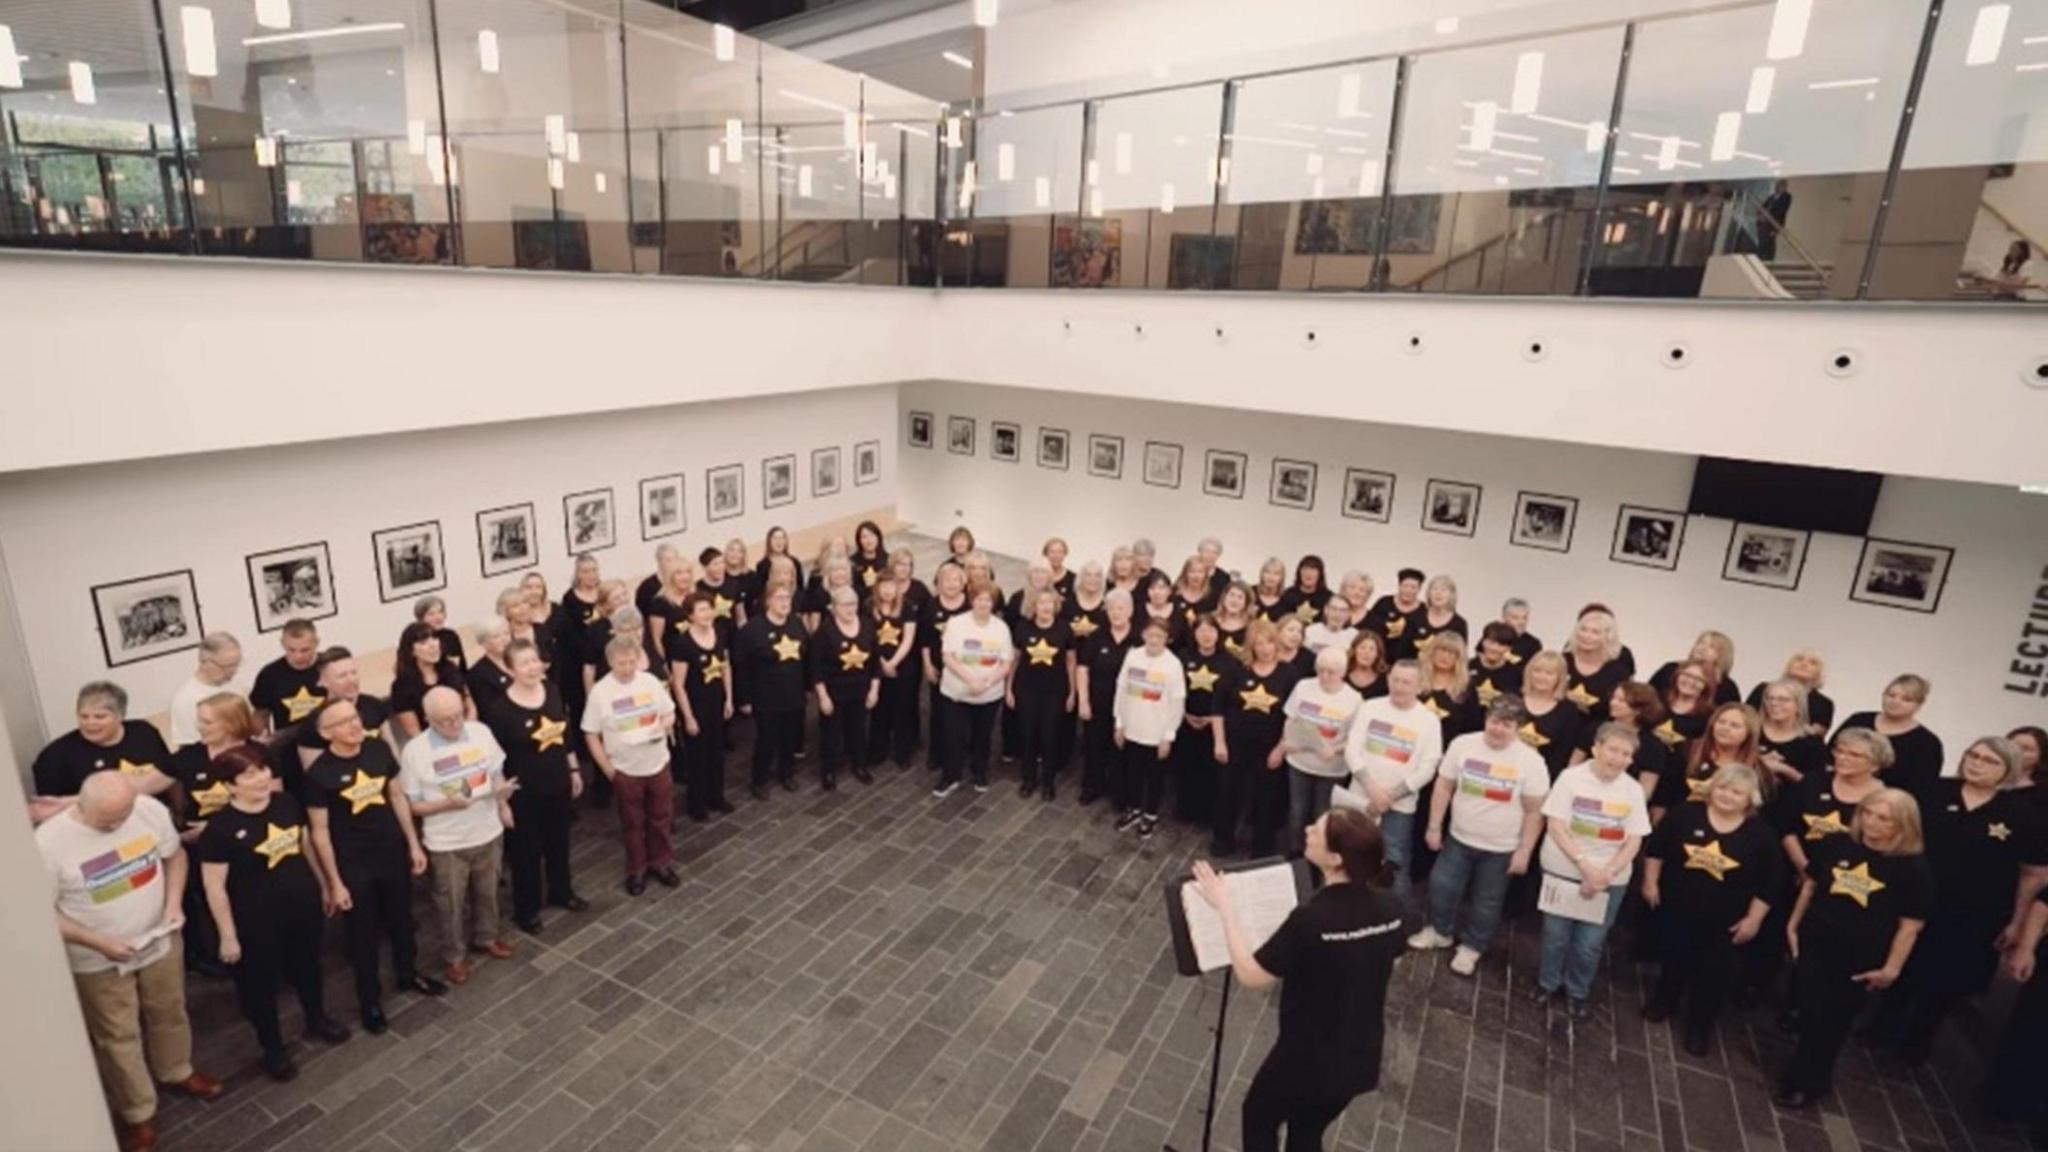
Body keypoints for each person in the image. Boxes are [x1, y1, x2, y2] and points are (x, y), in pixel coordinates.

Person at [1191, 810, 1409, 1152]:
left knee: (1259, 1117)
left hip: (1306, 1055)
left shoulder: (1310, 919)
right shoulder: (1394, 907)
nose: (1308, 829)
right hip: (1360, 1054)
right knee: (1307, 1132)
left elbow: (1250, 975)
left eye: (1317, 831)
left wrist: (1225, 907)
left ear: (1336, 859)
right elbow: (1392, 958)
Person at [40, 773, 224, 1151]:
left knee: (169, 1010)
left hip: (158, 938)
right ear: (81, 806)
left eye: (123, 816)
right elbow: (41, 913)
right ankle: (137, 1113)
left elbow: (174, 858)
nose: (118, 825)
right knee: (117, 1035)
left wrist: (172, 907)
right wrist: (97, 941)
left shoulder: (146, 810)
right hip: (97, 957)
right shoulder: (48, 844)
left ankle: (176, 1071)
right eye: (108, 821)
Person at [1870, 737, 2046, 1064]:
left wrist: (2017, 921)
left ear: (2008, 770)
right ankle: (1880, 1028)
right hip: (1917, 899)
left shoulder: (2022, 814)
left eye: (1989, 761)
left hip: (1974, 914)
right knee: (1902, 965)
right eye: (1973, 755)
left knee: (1945, 980)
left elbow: (2032, 874)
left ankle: (1916, 1043)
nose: (1977, 764)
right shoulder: (1933, 792)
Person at [197, 747, 350, 1081]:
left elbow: (304, 844)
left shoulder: (286, 803)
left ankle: (317, 1018)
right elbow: (215, 888)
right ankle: (273, 1048)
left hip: (301, 908)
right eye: (249, 774)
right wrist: (227, 935)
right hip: (255, 922)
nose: (262, 777)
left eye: (263, 769)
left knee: (309, 967)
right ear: (230, 785)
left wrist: (324, 884)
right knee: (260, 986)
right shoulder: (220, 830)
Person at [1775, 789, 1931, 1108]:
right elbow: (1812, 884)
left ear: (1904, 824)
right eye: (1867, 813)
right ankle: (1803, 1068)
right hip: (1816, 941)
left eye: (1883, 818)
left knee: (1833, 1020)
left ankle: (1810, 1081)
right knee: (1810, 1009)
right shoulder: (1838, 844)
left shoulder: (1913, 870)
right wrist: (1793, 925)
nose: (1872, 823)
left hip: (1860, 956)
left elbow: (1910, 926)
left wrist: (1892, 969)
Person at [302, 698, 443, 1033]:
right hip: (353, 863)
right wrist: (334, 882)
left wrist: (412, 842)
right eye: (343, 722)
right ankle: (370, 1002)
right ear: (325, 733)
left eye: (355, 717)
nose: (354, 725)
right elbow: (319, 833)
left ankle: (408, 974)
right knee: (362, 935)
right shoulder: (319, 774)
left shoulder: (378, 750)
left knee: (402, 919)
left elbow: (396, 796)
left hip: (391, 851)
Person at [1640, 763, 1780, 1054]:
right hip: (1678, 907)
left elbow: (1769, 885)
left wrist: (1753, 920)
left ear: (1750, 799)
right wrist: (1651, 883)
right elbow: (1657, 850)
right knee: (1674, 956)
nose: (1727, 796)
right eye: (1722, 788)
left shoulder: (1762, 836)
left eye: (1737, 792)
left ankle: (1699, 1027)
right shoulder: (1685, 814)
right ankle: (1664, 1000)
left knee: (1713, 975)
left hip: (1726, 922)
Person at [1414, 696, 1550, 977]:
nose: (1499, 729)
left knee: (1487, 903)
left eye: (1508, 724)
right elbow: (1444, 786)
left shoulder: (1532, 761)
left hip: (1501, 849)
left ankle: (1473, 947)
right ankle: (1441, 931)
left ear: (1519, 728)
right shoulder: (1462, 745)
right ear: (1486, 719)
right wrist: (1434, 826)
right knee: (1441, 887)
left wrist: (1524, 850)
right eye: (1495, 721)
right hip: (1458, 839)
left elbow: (1535, 811)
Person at [1532, 722, 1651, 1020]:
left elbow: (1634, 839)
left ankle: (1577, 991)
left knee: (1589, 944)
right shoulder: (1570, 778)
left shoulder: (1633, 790)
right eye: (1612, 750)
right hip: (1564, 869)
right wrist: (1585, 864)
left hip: (1609, 881)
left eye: (1626, 754)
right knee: (1555, 936)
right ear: (1597, 748)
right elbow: (1556, 825)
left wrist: (1605, 874)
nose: (1618, 758)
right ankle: (1548, 983)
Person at [400, 687, 516, 982]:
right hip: (447, 843)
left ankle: (487, 937)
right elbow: (413, 806)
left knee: (488, 893)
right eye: (444, 720)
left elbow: (495, 773)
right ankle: (454, 956)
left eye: (457, 716)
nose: (454, 724)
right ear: (428, 719)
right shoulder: (415, 751)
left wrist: (502, 801)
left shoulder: (480, 732)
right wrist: (447, 804)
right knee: (450, 904)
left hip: (487, 831)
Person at [485, 639, 588, 932]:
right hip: (524, 793)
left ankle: (561, 891)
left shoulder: (552, 691)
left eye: (534, 661)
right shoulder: (500, 709)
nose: (532, 668)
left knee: (559, 842)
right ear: (510, 669)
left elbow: (565, 735)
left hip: (557, 782)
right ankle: (526, 909)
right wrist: (502, 800)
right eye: (524, 663)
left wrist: (574, 769)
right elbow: (495, 758)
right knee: (525, 853)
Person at [583, 634, 680, 893]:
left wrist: (663, 724)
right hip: (625, 769)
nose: (627, 668)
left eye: (631, 662)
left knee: (661, 817)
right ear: (610, 662)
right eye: (621, 663)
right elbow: (591, 733)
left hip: (657, 762)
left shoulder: (649, 682)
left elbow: (669, 712)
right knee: (632, 823)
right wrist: (608, 769)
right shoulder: (601, 692)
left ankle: (661, 862)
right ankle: (636, 869)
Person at [1344, 660, 1444, 900]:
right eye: (1395, 680)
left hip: (1399, 807)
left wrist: (1388, 797)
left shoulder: (1429, 721)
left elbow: (1427, 768)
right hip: (1360, 799)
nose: (1399, 687)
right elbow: (1352, 750)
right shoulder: (1369, 707)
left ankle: (1398, 921)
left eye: (1406, 682)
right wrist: (1372, 790)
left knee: (1394, 862)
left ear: (1419, 686)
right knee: (1350, 855)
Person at [1213, 619, 1299, 857]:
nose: (1264, 648)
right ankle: (1223, 840)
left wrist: (1280, 749)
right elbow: (1218, 705)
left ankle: (1262, 848)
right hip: (1234, 744)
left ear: (1276, 643)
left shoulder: (1289, 673)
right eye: (1258, 643)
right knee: (1228, 794)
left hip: (1269, 748)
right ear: (1251, 645)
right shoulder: (1237, 669)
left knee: (1266, 800)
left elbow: (1293, 717)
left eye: (1269, 642)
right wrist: (1219, 742)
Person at [31, 682, 177, 818]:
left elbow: (169, 776)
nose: (90, 723)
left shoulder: (144, 732)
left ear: (120, 716)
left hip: (156, 818)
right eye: (84, 716)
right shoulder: (54, 756)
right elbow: (53, 813)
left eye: (99, 717)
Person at [1280, 646, 1365, 856]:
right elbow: (1290, 718)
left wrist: (1335, 749)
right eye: (1321, 670)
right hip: (1299, 761)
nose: (1324, 676)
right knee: (1297, 812)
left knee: (1323, 815)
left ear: (1343, 673)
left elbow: (1356, 738)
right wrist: (1287, 741)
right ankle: (1295, 852)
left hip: (1331, 768)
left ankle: (1319, 856)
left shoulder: (1354, 699)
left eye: (1331, 672)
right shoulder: (1303, 687)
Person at [1112, 617, 1186, 839]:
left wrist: (1168, 736)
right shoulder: (1133, 656)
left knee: (1154, 778)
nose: (1154, 640)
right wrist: (1119, 723)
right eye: (1151, 635)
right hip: (1133, 728)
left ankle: (1150, 815)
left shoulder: (1173, 665)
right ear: (1143, 635)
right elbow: (1121, 689)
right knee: (1132, 773)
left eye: (1160, 636)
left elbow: (1176, 703)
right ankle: (1134, 809)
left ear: (1167, 639)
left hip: (1157, 734)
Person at [938, 579, 1013, 797]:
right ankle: (950, 776)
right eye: (980, 599)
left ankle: (979, 773)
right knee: (953, 736)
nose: (983, 604)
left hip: (988, 695)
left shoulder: (1001, 628)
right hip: (957, 693)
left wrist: (986, 683)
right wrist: (970, 680)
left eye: (988, 600)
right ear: (972, 600)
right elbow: (948, 657)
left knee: (983, 737)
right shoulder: (956, 623)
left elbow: (1006, 663)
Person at [668, 592, 735, 820]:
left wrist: (729, 699)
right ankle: (696, 803)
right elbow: (678, 684)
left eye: (709, 609)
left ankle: (716, 796)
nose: (707, 614)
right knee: (698, 757)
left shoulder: (721, 633)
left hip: (717, 703)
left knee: (717, 754)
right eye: (702, 610)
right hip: (696, 706)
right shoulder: (683, 643)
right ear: (690, 616)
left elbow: (725, 667)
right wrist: (688, 717)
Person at [738, 583, 809, 796]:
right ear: (768, 601)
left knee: (789, 737)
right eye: (779, 598)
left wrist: (806, 687)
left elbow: (806, 657)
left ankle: (786, 773)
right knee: (766, 739)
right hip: (765, 697)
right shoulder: (753, 629)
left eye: (787, 598)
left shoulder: (796, 624)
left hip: (793, 694)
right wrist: (745, 698)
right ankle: (759, 779)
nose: (785, 602)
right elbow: (742, 665)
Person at [1833, 674, 1945, 803]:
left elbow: (1923, 789)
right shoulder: (1858, 720)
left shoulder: (1927, 743)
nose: (1895, 701)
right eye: (1891, 695)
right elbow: (1830, 755)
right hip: (1839, 794)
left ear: (1919, 705)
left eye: (1906, 699)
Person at [810, 586, 880, 790]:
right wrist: (822, 697)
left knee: (858, 730)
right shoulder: (824, 632)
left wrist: (874, 689)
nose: (850, 609)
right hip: (834, 692)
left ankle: (860, 765)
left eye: (853, 604)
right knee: (831, 733)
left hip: (860, 690)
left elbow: (874, 663)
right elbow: (816, 668)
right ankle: (829, 770)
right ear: (833, 607)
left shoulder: (867, 626)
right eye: (845, 604)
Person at [1008, 587, 1073, 800]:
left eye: (1049, 602)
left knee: (1049, 736)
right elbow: (1015, 660)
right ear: (1033, 606)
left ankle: (1048, 782)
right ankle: (1028, 779)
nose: (1045, 607)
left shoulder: (1065, 629)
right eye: (1041, 602)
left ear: (1055, 606)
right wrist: (1009, 688)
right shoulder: (1022, 628)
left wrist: (1072, 692)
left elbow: (1071, 662)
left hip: (1054, 692)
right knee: (1027, 735)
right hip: (1026, 690)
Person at [1077, 588, 1141, 806]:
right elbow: (1082, 669)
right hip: (1098, 703)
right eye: (1112, 608)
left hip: (1128, 707)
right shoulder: (1097, 637)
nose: (1116, 613)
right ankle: (1092, 787)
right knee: (1094, 746)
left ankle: (1118, 791)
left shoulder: (1139, 640)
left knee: (1122, 749)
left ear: (1130, 611)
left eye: (1121, 608)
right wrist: (1083, 701)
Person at [1653, 702, 1762, 815]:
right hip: (1678, 819)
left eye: (1734, 725)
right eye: (1721, 722)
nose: (1725, 728)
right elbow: (1664, 792)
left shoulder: (1757, 768)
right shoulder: (1686, 750)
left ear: (1749, 733)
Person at [868, 567, 922, 773]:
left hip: (903, 667)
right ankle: (877, 751)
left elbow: (909, 639)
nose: (888, 590)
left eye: (892, 586)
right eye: (884, 586)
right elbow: (867, 638)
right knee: (879, 711)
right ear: (877, 587)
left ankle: (903, 753)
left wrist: (893, 663)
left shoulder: (907, 607)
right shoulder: (868, 607)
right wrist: (882, 664)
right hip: (876, 666)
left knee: (902, 710)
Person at [1176, 615, 1230, 823]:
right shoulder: (1183, 656)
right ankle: (1184, 809)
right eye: (1201, 631)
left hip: (1213, 726)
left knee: (1210, 773)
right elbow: (1175, 688)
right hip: (1186, 721)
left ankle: (1206, 814)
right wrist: (1184, 714)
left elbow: (1229, 697)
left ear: (1218, 633)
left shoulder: (1229, 662)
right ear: (1194, 634)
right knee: (1186, 767)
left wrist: (1212, 719)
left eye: (1211, 630)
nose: (1206, 635)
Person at [921, 563, 971, 775]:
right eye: (946, 580)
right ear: (939, 584)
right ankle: (936, 753)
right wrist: (927, 665)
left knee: (963, 712)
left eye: (955, 580)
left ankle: (961, 751)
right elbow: (924, 639)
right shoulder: (930, 606)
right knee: (939, 712)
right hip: (938, 668)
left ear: (963, 583)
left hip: (963, 668)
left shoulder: (969, 607)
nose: (951, 584)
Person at [389, 622, 471, 741]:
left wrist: (467, 732)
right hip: (432, 743)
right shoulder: (402, 686)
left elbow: (470, 707)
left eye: (434, 638)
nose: (433, 645)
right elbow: (413, 731)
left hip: (464, 734)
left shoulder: (451, 669)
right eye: (423, 642)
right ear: (411, 651)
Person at [249, 619, 325, 734]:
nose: (298, 656)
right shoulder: (269, 674)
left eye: (305, 650)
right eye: (291, 650)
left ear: (316, 643)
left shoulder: (329, 666)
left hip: (328, 737)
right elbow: (260, 715)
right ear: (282, 643)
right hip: (286, 742)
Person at [167, 632, 243, 747]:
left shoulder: (234, 685)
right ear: (205, 662)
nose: (233, 671)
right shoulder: (185, 699)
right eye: (227, 666)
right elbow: (189, 750)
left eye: (236, 664)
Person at [1560, 605, 1633, 723]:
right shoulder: (1562, 661)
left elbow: (1621, 713)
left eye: (1595, 632)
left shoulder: (1618, 673)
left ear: (1608, 637)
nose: (1587, 636)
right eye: (1583, 629)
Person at [1516, 652, 1582, 780]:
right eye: (1537, 671)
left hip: (1541, 778)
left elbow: (1562, 754)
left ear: (1559, 678)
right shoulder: (1512, 698)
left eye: (1549, 673)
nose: (1542, 677)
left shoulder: (1568, 710)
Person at [1756, 679, 1828, 789]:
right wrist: (1759, 762)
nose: (1774, 703)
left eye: (1783, 699)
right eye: (1770, 698)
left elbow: (1816, 784)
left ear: (1798, 705)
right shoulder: (1752, 731)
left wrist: (1783, 769)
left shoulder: (1812, 742)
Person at [1746, 649, 1834, 736]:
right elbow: (1745, 718)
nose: (1804, 664)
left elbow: (1816, 736)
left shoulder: (1824, 703)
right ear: (1789, 666)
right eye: (1799, 659)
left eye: (1812, 662)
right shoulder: (1763, 689)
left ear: (1819, 673)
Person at [1649, 630, 1740, 706]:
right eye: (1700, 643)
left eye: (1711, 647)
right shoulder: (1670, 669)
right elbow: (1649, 693)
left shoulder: (1727, 687)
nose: (1702, 648)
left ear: (1722, 655)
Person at [1406, 575, 1470, 662]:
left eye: (1443, 590)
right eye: (1434, 589)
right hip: (1414, 670)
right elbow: (1403, 651)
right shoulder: (1415, 617)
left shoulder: (1459, 623)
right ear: (1429, 594)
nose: (1438, 593)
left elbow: (1460, 656)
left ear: (1452, 595)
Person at [1364, 568, 1424, 658]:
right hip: (1380, 659)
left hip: (1410, 664)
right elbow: (1369, 630)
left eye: (1413, 587)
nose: (1408, 590)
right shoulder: (1384, 603)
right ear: (1399, 586)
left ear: (1419, 589)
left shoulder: (1424, 610)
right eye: (1405, 586)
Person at [466, 617, 515, 719]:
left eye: (506, 633)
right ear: (484, 643)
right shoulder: (477, 674)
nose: (504, 639)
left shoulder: (519, 659)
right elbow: (489, 711)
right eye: (496, 636)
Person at [1467, 624, 1524, 710]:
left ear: (1509, 648)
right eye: (1491, 642)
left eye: (1501, 645)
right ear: (1483, 642)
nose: (1494, 648)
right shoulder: (1467, 666)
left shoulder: (1515, 674)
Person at [411, 595, 469, 673]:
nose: (438, 617)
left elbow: (461, 666)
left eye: (440, 612)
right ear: (420, 618)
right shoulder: (415, 638)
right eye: (431, 614)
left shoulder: (450, 635)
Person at [1281, 555, 1331, 625]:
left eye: (1313, 569)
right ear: (1299, 572)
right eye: (1305, 569)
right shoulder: (1288, 594)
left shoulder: (1329, 598)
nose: (1308, 573)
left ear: (1320, 574)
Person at [639, 543, 683, 619]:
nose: (673, 563)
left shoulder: (681, 579)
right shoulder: (647, 587)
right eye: (668, 560)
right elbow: (643, 614)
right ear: (659, 562)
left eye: (675, 559)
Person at [1344, 630, 1389, 701]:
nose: (1366, 653)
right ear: (1354, 650)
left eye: (1372, 649)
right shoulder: (1342, 673)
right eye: (1363, 647)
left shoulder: (1385, 680)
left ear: (1377, 654)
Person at [850, 520, 888, 598]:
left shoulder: (888, 559)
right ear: (859, 541)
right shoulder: (852, 562)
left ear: (878, 538)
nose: (869, 540)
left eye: (872, 535)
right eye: (864, 537)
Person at [1498, 598, 1542, 664]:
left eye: (1525, 618)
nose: (1521, 622)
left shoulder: (1533, 643)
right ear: (1504, 618)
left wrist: (1507, 656)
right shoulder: (1492, 638)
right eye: (1515, 618)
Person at [1251, 557, 1291, 623]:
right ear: (1262, 574)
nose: (1271, 577)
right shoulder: (1251, 592)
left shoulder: (1287, 598)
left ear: (1282, 577)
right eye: (1267, 572)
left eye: (1276, 574)